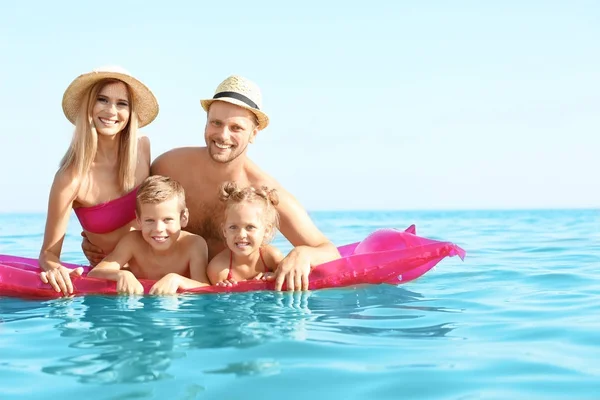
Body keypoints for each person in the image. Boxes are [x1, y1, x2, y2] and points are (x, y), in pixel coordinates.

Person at [83, 74, 341, 292]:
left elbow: (328, 250)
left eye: (236, 128)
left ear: (254, 133)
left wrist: (302, 255)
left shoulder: (262, 193)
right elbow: (142, 215)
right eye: (216, 123)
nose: (223, 135)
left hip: (226, 300)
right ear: (206, 122)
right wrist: (101, 242)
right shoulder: (170, 166)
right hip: (165, 298)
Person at [39, 65, 159, 296]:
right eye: (102, 100)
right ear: (89, 107)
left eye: (122, 103)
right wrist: (55, 269)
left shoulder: (143, 149)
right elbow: (48, 254)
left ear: (131, 112)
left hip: (157, 275)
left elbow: (159, 207)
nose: (112, 111)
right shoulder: (71, 178)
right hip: (111, 282)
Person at [87, 175, 210, 295]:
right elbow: (94, 273)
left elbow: (205, 287)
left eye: (167, 219)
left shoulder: (194, 244)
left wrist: (177, 279)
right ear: (139, 220)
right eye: (150, 221)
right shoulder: (132, 242)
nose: (158, 229)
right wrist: (121, 275)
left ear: (183, 218)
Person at [207, 182, 284, 286]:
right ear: (225, 231)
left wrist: (273, 276)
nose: (241, 235)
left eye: (250, 227)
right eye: (233, 227)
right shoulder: (218, 268)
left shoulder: (271, 257)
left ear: (266, 231)